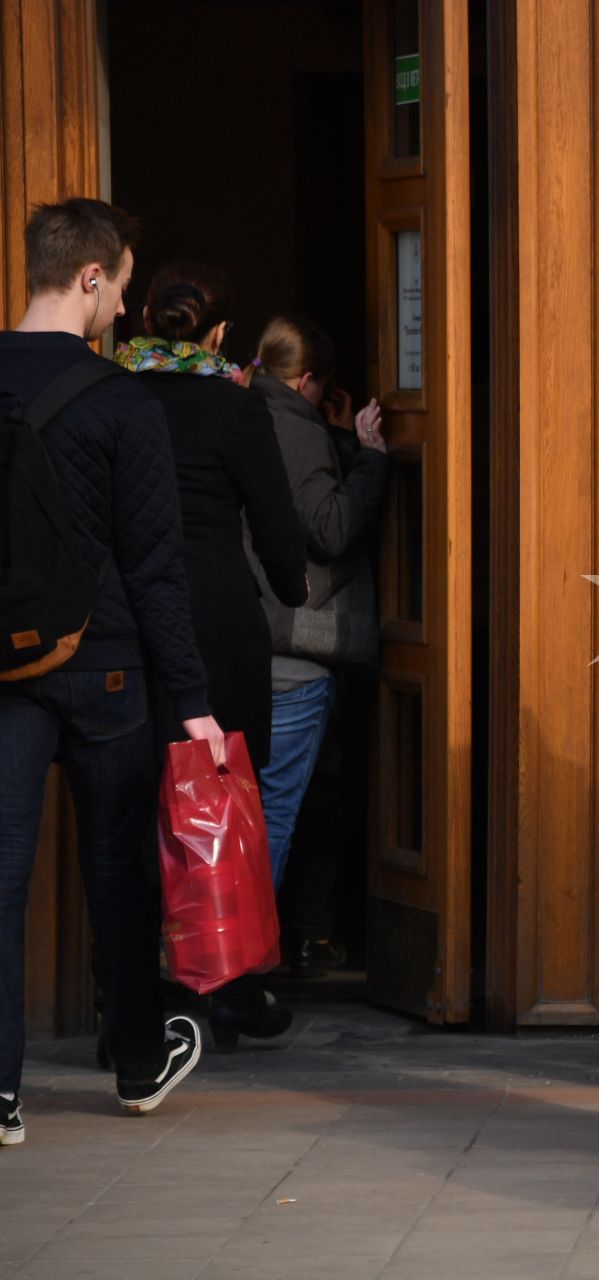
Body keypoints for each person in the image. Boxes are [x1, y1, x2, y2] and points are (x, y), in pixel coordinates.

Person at [0, 198, 209, 1140]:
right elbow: (157, 567)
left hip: (0, 666)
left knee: (0, 877)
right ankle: (135, 1062)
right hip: (111, 666)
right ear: (90, 277)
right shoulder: (126, 401)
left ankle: (0, 1093)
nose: (125, 310)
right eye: (121, 288)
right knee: (118, 868)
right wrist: (194, 701)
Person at [116, 262, 310, 1050]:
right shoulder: (235, 407)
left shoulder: (116, 393)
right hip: (219, 621)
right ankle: (226, 986)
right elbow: (276, 528)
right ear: (220, 332)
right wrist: (292, 585)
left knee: (128, 806)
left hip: (128, 613)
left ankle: (137, 992)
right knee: (221, 798)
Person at [247, 316, 388, 976]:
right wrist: (372, 458)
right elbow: (328, 525)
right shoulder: (296, 427)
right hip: (296, 646)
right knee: (283, 809)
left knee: (252, 804)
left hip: (252, 640)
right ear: (306, 381)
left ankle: (258, 949)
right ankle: (249, 962)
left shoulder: (248, 412)